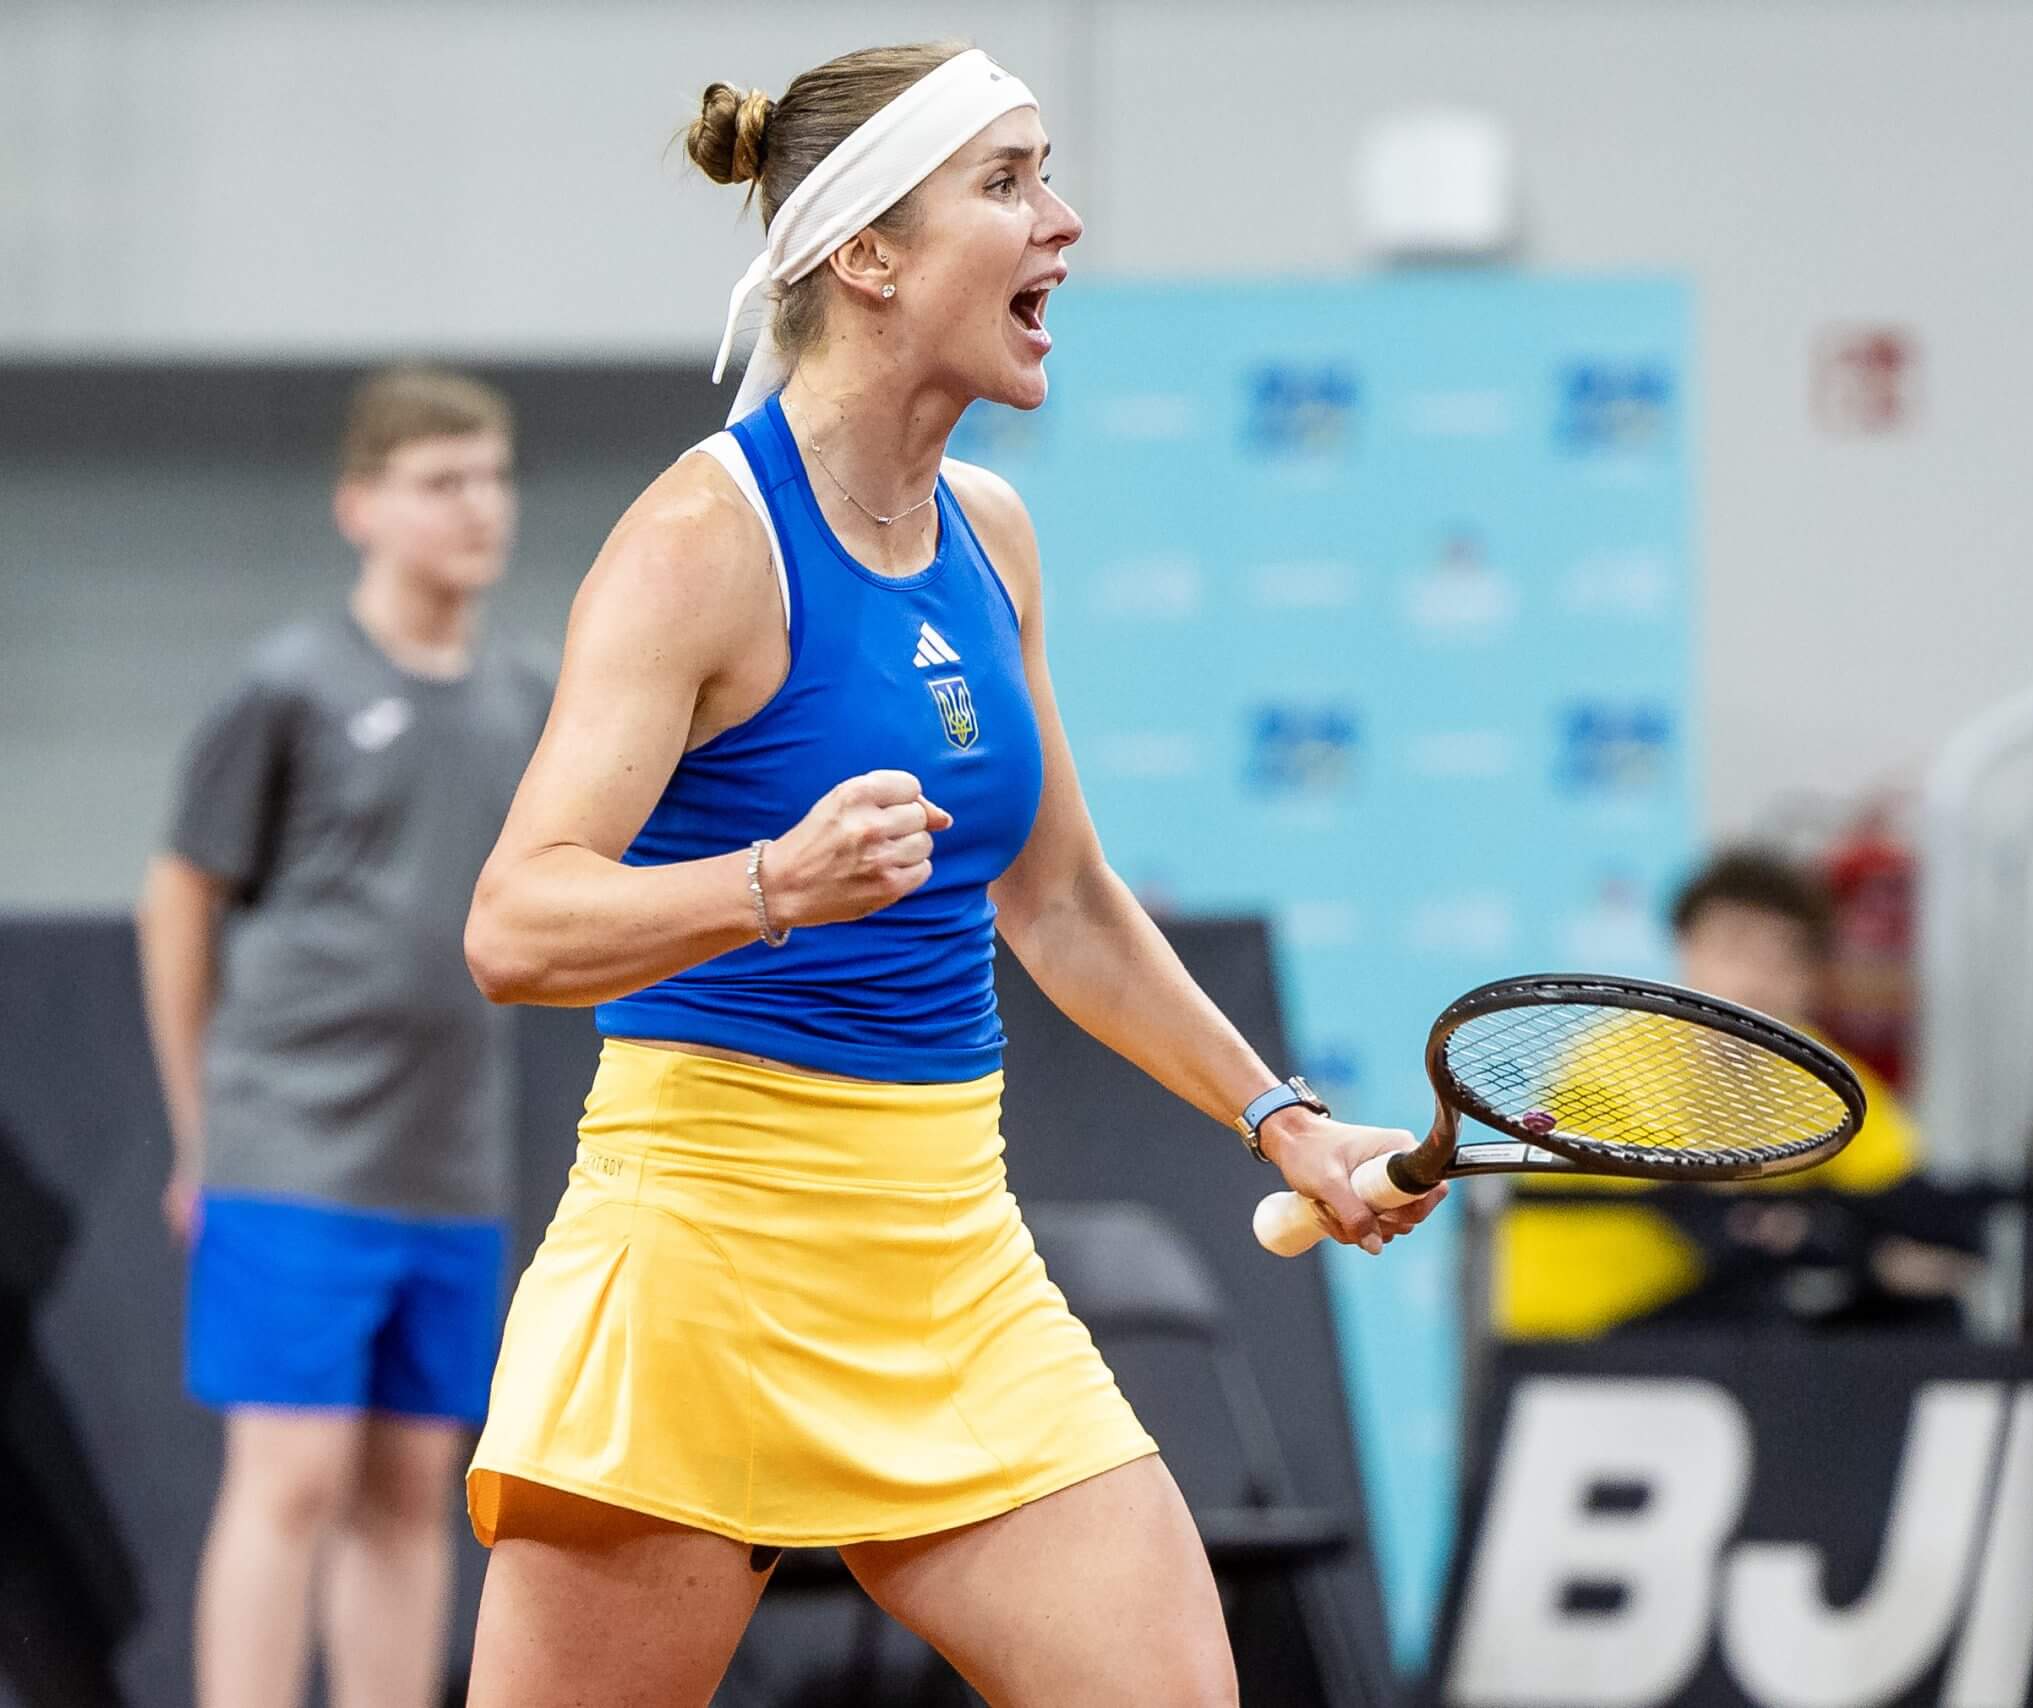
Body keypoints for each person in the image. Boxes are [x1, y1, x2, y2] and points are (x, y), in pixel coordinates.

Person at [455, 41, 1443, 1708]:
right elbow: (514, 921)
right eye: (1007, 184)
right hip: (697, 1258)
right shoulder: (703, 543)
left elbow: (1059, 903)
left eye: (1046, 172)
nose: (1061, 221)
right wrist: (768, 880)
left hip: (950, 1260)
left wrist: (1285, 1118)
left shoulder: (993, 533)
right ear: (867, 256)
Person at [135, 366, 544, 1708]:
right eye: (439, 482)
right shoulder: (291, 685)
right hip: (289, 1152)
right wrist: (204, 1131)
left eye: (491, 478)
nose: (477, 508)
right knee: (294, 1477)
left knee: (410, 1485)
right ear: (360, 506)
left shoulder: (528, 698)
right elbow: (180, 895)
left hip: (451, 1166)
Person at [1496, 847, 1976, 1338]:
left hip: (1718, 1324)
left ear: (1811, 978)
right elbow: (1711, 1228)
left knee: (1924, 1319)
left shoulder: (1823, 1073)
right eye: (1735, 950)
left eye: (1785, 958)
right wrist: (1841, 1230)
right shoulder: (1610, 1063)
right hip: (1578, 1340)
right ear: (1686, 948)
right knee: (1766, 1310)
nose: (1757, 981)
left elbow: (1941, 1223)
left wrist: (1824, 1229)